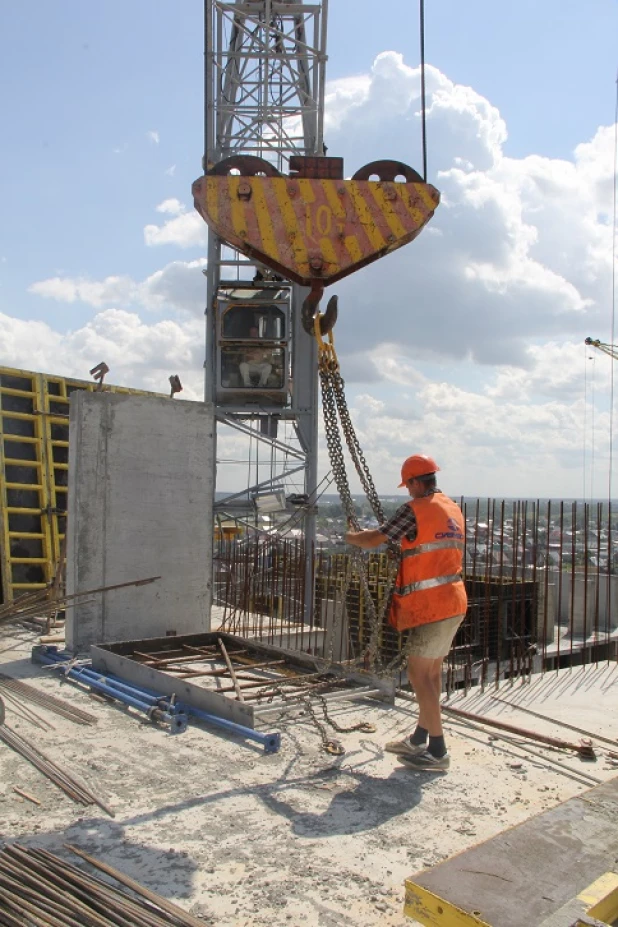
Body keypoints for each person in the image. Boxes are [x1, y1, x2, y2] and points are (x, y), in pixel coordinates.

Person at [345, 454, 467, 771]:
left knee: (417, 675)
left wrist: (351, 536)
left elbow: (375, 539)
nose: (407, 491)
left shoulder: (415, 510)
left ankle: (437, 751)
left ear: (414, 482)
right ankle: (419, 738)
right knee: (431, 674)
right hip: (452, 600)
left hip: (432, 605)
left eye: (408, 485)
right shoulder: (451, 508)